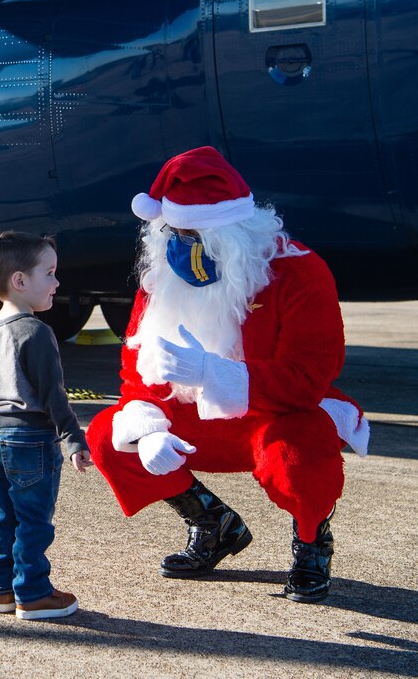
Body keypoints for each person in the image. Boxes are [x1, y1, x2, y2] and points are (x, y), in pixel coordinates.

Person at [86, 146, 369, 603]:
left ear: (234, 231)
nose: (180, 245)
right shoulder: (162, 275)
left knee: (302, 454)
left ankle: (313, 540)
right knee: (109, 435)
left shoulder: (298, 272)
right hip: (197, 420)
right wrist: (150, 424)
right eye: (171, 232)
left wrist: (213, 373)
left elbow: (308, 378)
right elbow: (136, 370)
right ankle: (213, 524)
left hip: (273, 414)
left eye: (192, 233)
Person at [0, 231, 94, 620]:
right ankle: (34, 593)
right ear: (20, 281)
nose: (57, 283)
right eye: (50, 273)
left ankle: (2, 590)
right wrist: (73, 439)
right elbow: (53, 396)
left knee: (4, 513)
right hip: (30, 437)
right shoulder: (37, 332)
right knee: (34, 520)